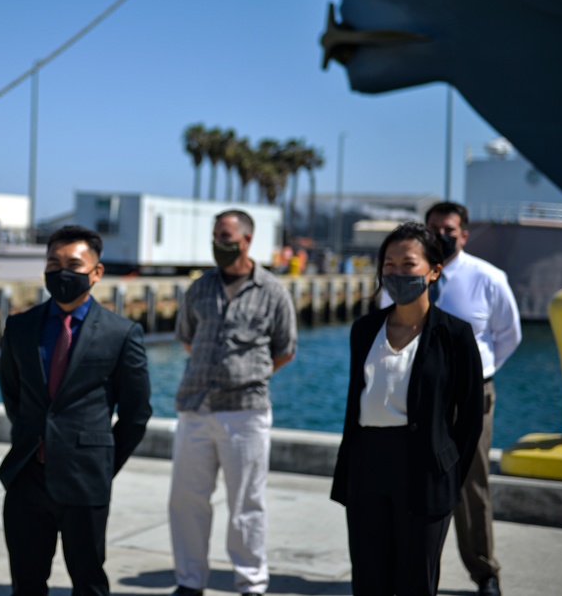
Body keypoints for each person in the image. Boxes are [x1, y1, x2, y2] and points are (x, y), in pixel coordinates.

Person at [0, 225, 152, 596]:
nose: (62, 271)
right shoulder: (20, 327)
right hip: (26, 477)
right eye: (54, 262)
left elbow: (136, 414)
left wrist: (101, 462)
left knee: (89, 582)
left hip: (86, 480)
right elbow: (13, 395)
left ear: (96, 273)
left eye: (74, 264)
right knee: (26, 583)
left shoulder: (122, 333)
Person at [333, 222, 484, 596]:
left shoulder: (455, 335)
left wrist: (448, 474)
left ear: (434, 270)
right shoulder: (364, 329)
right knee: (369, 580)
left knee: (416, 581)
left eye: (408, 264)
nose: (397, 273)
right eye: (389, 264)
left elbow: (469, 418)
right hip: (368, 465)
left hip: (425, 471)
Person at [382, 202, 521, 596]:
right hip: (414, 397)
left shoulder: (488, 278)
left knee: (471, 485)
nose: (441, 234)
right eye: (433, 228)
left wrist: (475, 375)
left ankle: (484, 572)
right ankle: (415, 574)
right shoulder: (405, 278)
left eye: (448, 228)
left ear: (464, 233)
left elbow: (508, 337)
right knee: (412, 482)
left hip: (470, 397)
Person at [169, 209, 297, 596]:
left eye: (225, 236)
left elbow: (285, 350)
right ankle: (189, 582)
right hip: (196, 406)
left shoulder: (272, 291)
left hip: (246, 411)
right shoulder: (200, 288)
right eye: (214, 235)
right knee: (186, 500)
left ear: (246, 240)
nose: (217, 243)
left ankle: (251, 583)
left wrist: (246, 375)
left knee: (246, 503)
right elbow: (187, 337)